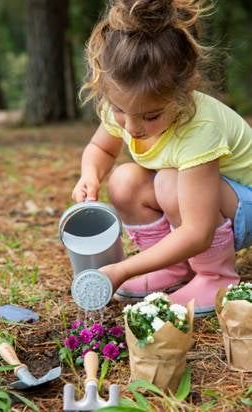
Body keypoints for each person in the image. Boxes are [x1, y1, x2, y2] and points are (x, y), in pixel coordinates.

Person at [72, 0, 252, 315]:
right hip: (205, 204)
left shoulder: (198, 128)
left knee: (168, 182)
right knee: (125, 180)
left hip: (243, 208)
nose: (131, 126)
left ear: (182, 95)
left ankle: (215, 276)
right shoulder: (127, 104)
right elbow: (101, 149)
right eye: (119, 110)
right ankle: (172, 267)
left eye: (150, 116)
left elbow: (197, 232)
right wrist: (90, 175)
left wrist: (123, 269)